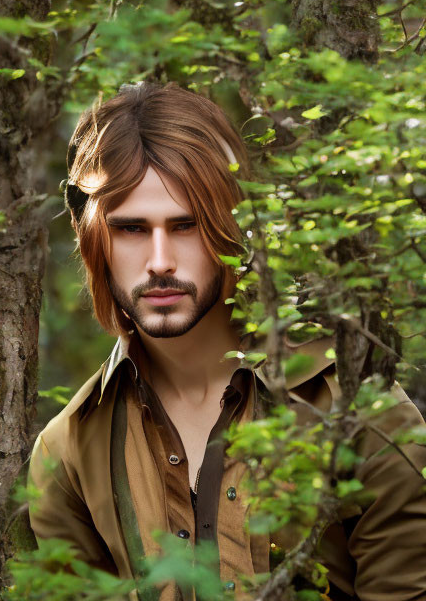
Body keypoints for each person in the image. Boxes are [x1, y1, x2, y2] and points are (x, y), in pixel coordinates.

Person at [28, 82, 426, 600]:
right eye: (130, 229)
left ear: (228, 227)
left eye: (185, 225)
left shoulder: (358, 410)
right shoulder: (69, 451)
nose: (160, 260)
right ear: (95, 241)